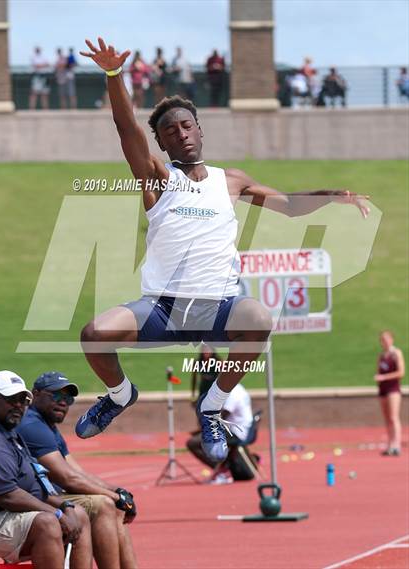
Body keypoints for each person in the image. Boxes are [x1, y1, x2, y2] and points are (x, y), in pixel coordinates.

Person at [76, 37, 370, 466]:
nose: (181, 133)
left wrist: (333, 195)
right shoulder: (157, 178)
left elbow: (287, 205)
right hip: (162, 308)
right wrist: (114, 75)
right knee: (94, 335)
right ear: (161, 144)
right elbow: (126, 129)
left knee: (260, 318)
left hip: (219, 306)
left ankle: (212, 406)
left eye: (187, 125)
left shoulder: (229, 181)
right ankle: (120, 395)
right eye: (170, 131)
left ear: (199, 129)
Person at [17, 371, 138, 569]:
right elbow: (66, 478)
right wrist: (115, 497)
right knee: (104, 504)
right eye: (56, 395)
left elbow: (77, 471)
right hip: (35, 499)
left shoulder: (47, 425)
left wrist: (119, 492)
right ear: (35, 394)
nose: (63, 402)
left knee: (115, 507)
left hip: (50, 495)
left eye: (68, 398)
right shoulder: (32, 424)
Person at [0, 370, 92, 569]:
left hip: (4, 514)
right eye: (11, 399)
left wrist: (65, 507)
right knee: (46, 523)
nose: (18, 405)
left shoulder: (9, 433)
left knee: (77, 513)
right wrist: (57, 514)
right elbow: (7, 495)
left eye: (22, 400)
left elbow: (36, 485)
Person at [187, 383, 258, 485]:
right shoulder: (236, 388)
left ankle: (223, 471)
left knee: (193, 443)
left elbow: (222, 417)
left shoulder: (234, 392)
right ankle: (224, 468)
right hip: (236, 429)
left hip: (236, 432)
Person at [374, 331, 405, 456]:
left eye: (387, 339)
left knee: (393, 417)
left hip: (393, 389)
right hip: (383, 389)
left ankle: (397, 445)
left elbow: (401, 372)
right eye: (382, 340)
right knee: (387, 418)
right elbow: (378, 372)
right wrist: (378, 378)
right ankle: (390, 444)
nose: (385, 342)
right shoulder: (381, 356)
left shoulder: (396, 353)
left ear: (392, 340)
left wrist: (385, 377)